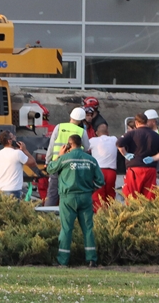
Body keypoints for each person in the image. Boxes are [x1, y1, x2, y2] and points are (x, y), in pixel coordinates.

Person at [46, 134, 104, 268]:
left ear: (69, 145)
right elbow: (101, 181)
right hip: (85, 197)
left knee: (66, 229)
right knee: (88, 228)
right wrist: (90, 190)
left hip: (68, 198)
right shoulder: (91, 160)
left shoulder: (65, 159)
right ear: (81, 144)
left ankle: (62, 260)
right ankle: (91, 259)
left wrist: (60, 155)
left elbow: (50, 169)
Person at [116, 113, 159, 200]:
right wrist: (153, 158)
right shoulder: (156, 136)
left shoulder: (131, 134)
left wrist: (125, 154)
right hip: (150, 169)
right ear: (147, 122)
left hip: (134, 169)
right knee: (149, 197)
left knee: (132, 197)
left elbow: (119, 144)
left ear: (136, 123)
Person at [43, 107, 86, 207]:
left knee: (52, 193)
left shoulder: (59, 127)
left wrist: (47, 162)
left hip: (57, 163)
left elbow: (51, 146)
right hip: (73, 166)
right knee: (70, 192)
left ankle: (46, 215)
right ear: (81, 120)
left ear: (70, 116)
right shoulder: (81, 131)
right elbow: (87, 147)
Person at [0, 131, 37, 199]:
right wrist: (24, 150)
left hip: (0, 190)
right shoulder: (18, 153)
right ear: (10, 141)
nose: (15, 138)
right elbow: (33, 163)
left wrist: (1, 185)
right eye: (13, 137)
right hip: (14, 190)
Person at [88, 123, 118, 211]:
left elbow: (85, 148)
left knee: (98, 195)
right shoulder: (114, 139)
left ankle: (99, 215)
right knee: (110, 195)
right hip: (111, 171)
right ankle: (110, 214)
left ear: (96, 132)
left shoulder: (93, 140)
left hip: (98, 171)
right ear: (107, 132)